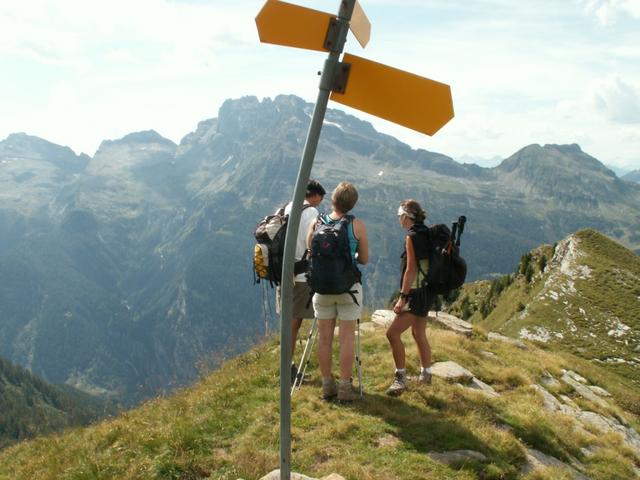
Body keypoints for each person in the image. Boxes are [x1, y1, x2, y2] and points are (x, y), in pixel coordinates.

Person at [306, 182, 368, 402]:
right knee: (347, 339)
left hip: (321, 289)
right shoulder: (356, 225)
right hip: (347, 289)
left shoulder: (317, 222)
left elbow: (309, 250)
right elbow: (364, 259)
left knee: (324, 339)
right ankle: (344, 387)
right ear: (352, 204)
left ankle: (326, 385)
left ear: (333, 199)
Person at [276, 179, 326, 383]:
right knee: (293, 324)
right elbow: (316, 243)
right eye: (320, 199)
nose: (320, 203)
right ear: (314, 195)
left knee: (289, 323)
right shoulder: (312, 213)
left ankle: (287, 367)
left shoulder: (287, 207)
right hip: (301, 275)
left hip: (284, 273)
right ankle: (287, 372)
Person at [385, 199, 434, 396]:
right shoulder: (427, 232)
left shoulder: (411, 237)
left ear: (406, 217)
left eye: (400, 216)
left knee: (392, 334)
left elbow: (411, 269)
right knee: (418, 334)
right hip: (428, 291)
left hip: (414, 293)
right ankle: (426, 374)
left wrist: (402, 297)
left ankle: (401, 378)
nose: (399, 219)